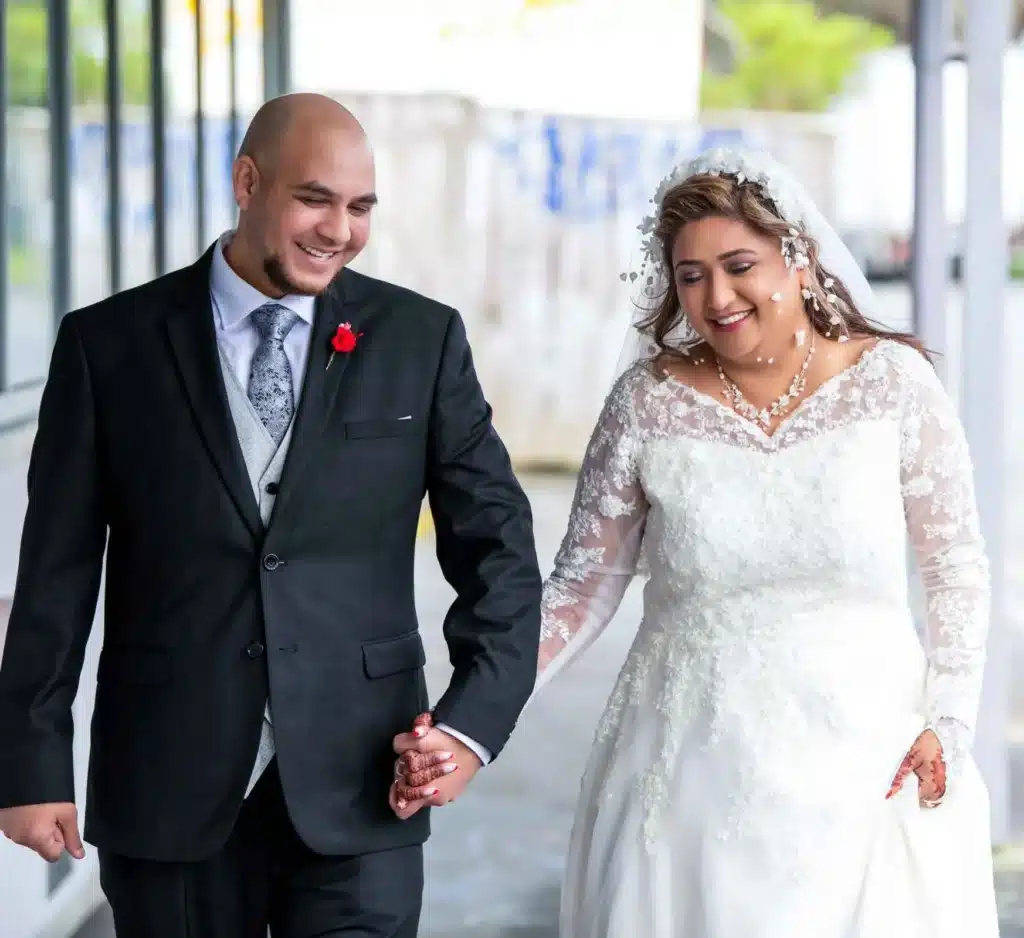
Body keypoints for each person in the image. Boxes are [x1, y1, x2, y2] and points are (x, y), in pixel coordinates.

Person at [392, 147, 1000, 936]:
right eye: (690, 276)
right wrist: (468, 725)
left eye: (739, 264)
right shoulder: (648, 401)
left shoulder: (893, 384)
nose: (716, 297)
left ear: (799, 256)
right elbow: (579, 590)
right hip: (686, 772)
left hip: (870, 767)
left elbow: (956, 568)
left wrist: (948, 721)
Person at [0, 92, 542, 938]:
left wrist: (470, 726)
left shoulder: (419, 339)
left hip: (367, 782)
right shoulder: (110, 345)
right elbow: (54, 576)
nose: (339, 230)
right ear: (247, 181)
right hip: (168, 781)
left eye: (360, 207)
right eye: (314, 199)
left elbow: (499, 548)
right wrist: (31, 763)